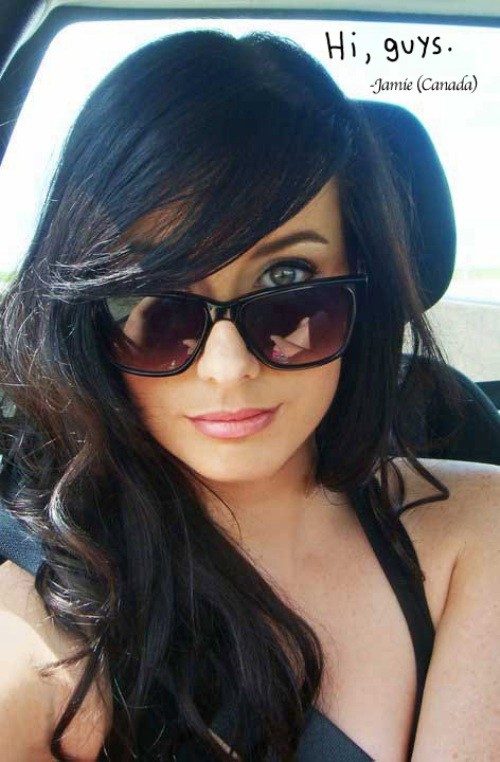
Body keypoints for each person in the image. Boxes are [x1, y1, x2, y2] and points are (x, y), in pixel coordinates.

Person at [0, 28, 498, 762]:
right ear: (86, 316)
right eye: (156, 297)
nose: (228, 368)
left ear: (361, 283)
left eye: (286, 281)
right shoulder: (42, 595)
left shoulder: (478, 529)